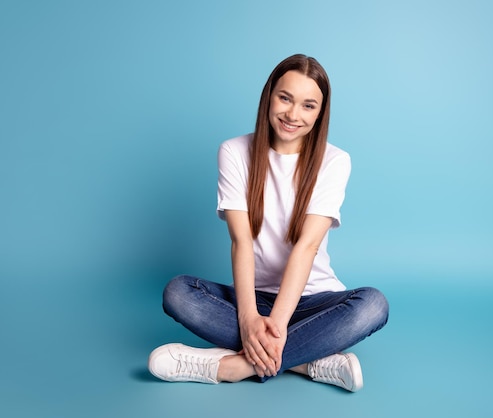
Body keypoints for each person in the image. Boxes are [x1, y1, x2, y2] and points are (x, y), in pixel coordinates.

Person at [148, 54, 389, 392]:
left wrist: (275, 325)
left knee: (373, 305)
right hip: (253, 297)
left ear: (320, 113)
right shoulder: (234, 152)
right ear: (269, 96)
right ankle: (310, 362)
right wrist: (248, 319)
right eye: (285, 98)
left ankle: (232, 367)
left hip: (313, 302)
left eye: (308, 105)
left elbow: (307, 247)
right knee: (178, 293)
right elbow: (241, 241)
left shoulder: (335, 161)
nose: (293, 115)